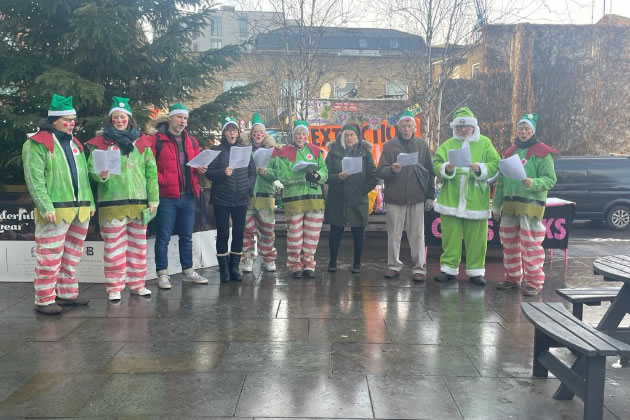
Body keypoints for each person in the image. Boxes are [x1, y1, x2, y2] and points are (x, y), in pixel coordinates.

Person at [22, 94, 95, 315]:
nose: (72, 123)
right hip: (55, 208)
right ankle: (44, 299)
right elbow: (34, 179)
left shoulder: (75, 144)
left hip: (79, 209)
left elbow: (82, 177)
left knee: (71, 255)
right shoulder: (37, 143)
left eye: (73, 119)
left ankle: (67, 294)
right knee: (49, 256)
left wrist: (90, 202)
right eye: (67, 119)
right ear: (54, 120)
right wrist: (45, 206)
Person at [86, 97, 159, 301]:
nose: (119, 120)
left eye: (123, 117)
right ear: (111, 120)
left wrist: (153, 200)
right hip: (112, 203)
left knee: (138, 246)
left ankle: (137, 283)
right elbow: (91, 169)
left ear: (129, 119)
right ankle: (115, 287)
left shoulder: (142, 143)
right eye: (116, 117)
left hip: (138, 203)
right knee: (114, 248)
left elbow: (151, 173)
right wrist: (101, 175)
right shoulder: (100, 143)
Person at [432, 107, 500, 285]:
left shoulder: (485, 143)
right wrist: (446, 168)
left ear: (473, 127)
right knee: (450, 237)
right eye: (461, 127)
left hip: (476, 199)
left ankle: (476, 271)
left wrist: (481, 169)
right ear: (455, 128)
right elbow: (436, 163)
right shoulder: (447, 144)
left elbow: (495, 164)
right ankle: (448, 269)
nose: (464, 130)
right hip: (451, 198)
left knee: (477, 238)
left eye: (467, 127)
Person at [493, 113, 558, 296]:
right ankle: (512, 278)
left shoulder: (543, 153)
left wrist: (534, 183)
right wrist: (496, 206)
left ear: (532, 131)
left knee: (531, 245)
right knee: (509, 244)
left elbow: (550, 179)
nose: (523, 132)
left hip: (531, 206)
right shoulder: (510, 151)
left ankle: (534, 282)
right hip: (510, 205)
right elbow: (502, 183)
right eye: (520, 129)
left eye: (526, 129)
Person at [148, 103, 208, 289]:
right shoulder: (157, 139)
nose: (183, 121)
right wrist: (163, 180)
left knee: (186, 236)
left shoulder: (191, 141)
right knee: (163, 236)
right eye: (179, 117)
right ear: (171, 118)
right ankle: (162, 273)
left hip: (188, 195)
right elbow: (149, 167)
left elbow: (196, 164)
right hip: (167, 196)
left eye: (185, 118)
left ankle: (188, 271)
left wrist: (200, 169)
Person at [376, 111, 434, 281]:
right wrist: (391, 170)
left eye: (410, 126)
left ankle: (419, 268)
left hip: (416, 197)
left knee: (417, 234)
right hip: (395, 197)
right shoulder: (389, 146)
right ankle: (393, 265)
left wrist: (430, 196)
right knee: (394, 234)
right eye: (403, 126)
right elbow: (380, 171)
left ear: (414, 128)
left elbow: (430, 173)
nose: (406, 129)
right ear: (398, 127)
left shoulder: (422, 146)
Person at [272, 120, 328, 278]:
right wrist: (303, 176)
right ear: (293, 135)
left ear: (307, 135)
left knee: (312, 235)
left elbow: (324, 172)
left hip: (314, 200)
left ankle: (309, 264)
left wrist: (317, 175)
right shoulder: (284, 153)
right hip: (294, 200)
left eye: (303, 133)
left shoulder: (316, 152)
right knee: (295, 236)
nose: (300, 136)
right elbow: (283, 176)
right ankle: (295, 265)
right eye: (298, 133)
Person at [205, 116, 256, 283]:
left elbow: (252, 172)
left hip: (240, 198)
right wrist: (222, 173)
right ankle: (224, 269)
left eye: (234, 130)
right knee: (223, 233)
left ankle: (234, 267)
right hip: (221, 198)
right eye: (228, 130)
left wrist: (248, 187)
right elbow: (208, 172)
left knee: (239, 233)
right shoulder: (216, 150)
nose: (232, 132)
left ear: (238, 133)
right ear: (224, 133)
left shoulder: (245, 150)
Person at [325, 123, 378, 273]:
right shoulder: (333, 153)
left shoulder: (365, 153)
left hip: (358, 199)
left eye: (352, 135)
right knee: (335, 231)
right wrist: (337, 177)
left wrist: (362, 191)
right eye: (346, 135)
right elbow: (325, 175)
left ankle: (357, 263)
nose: (349, 138)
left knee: (358, 232)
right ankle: (332, 262)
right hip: (337, 199)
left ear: (357, 137)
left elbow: (373, 177)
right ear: (342, 137)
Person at [241, 113, 279, 273]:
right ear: (251, 134)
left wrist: (265, 172)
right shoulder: (243, 150)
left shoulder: (272, 152)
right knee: (246, 230)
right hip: (248, 196)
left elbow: (277, 174)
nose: (258, 135)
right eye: (256, 132)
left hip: (265, 196)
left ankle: (268, 258)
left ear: (265, 136)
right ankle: (248, 258)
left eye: (261, 133)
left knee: (267, 230)